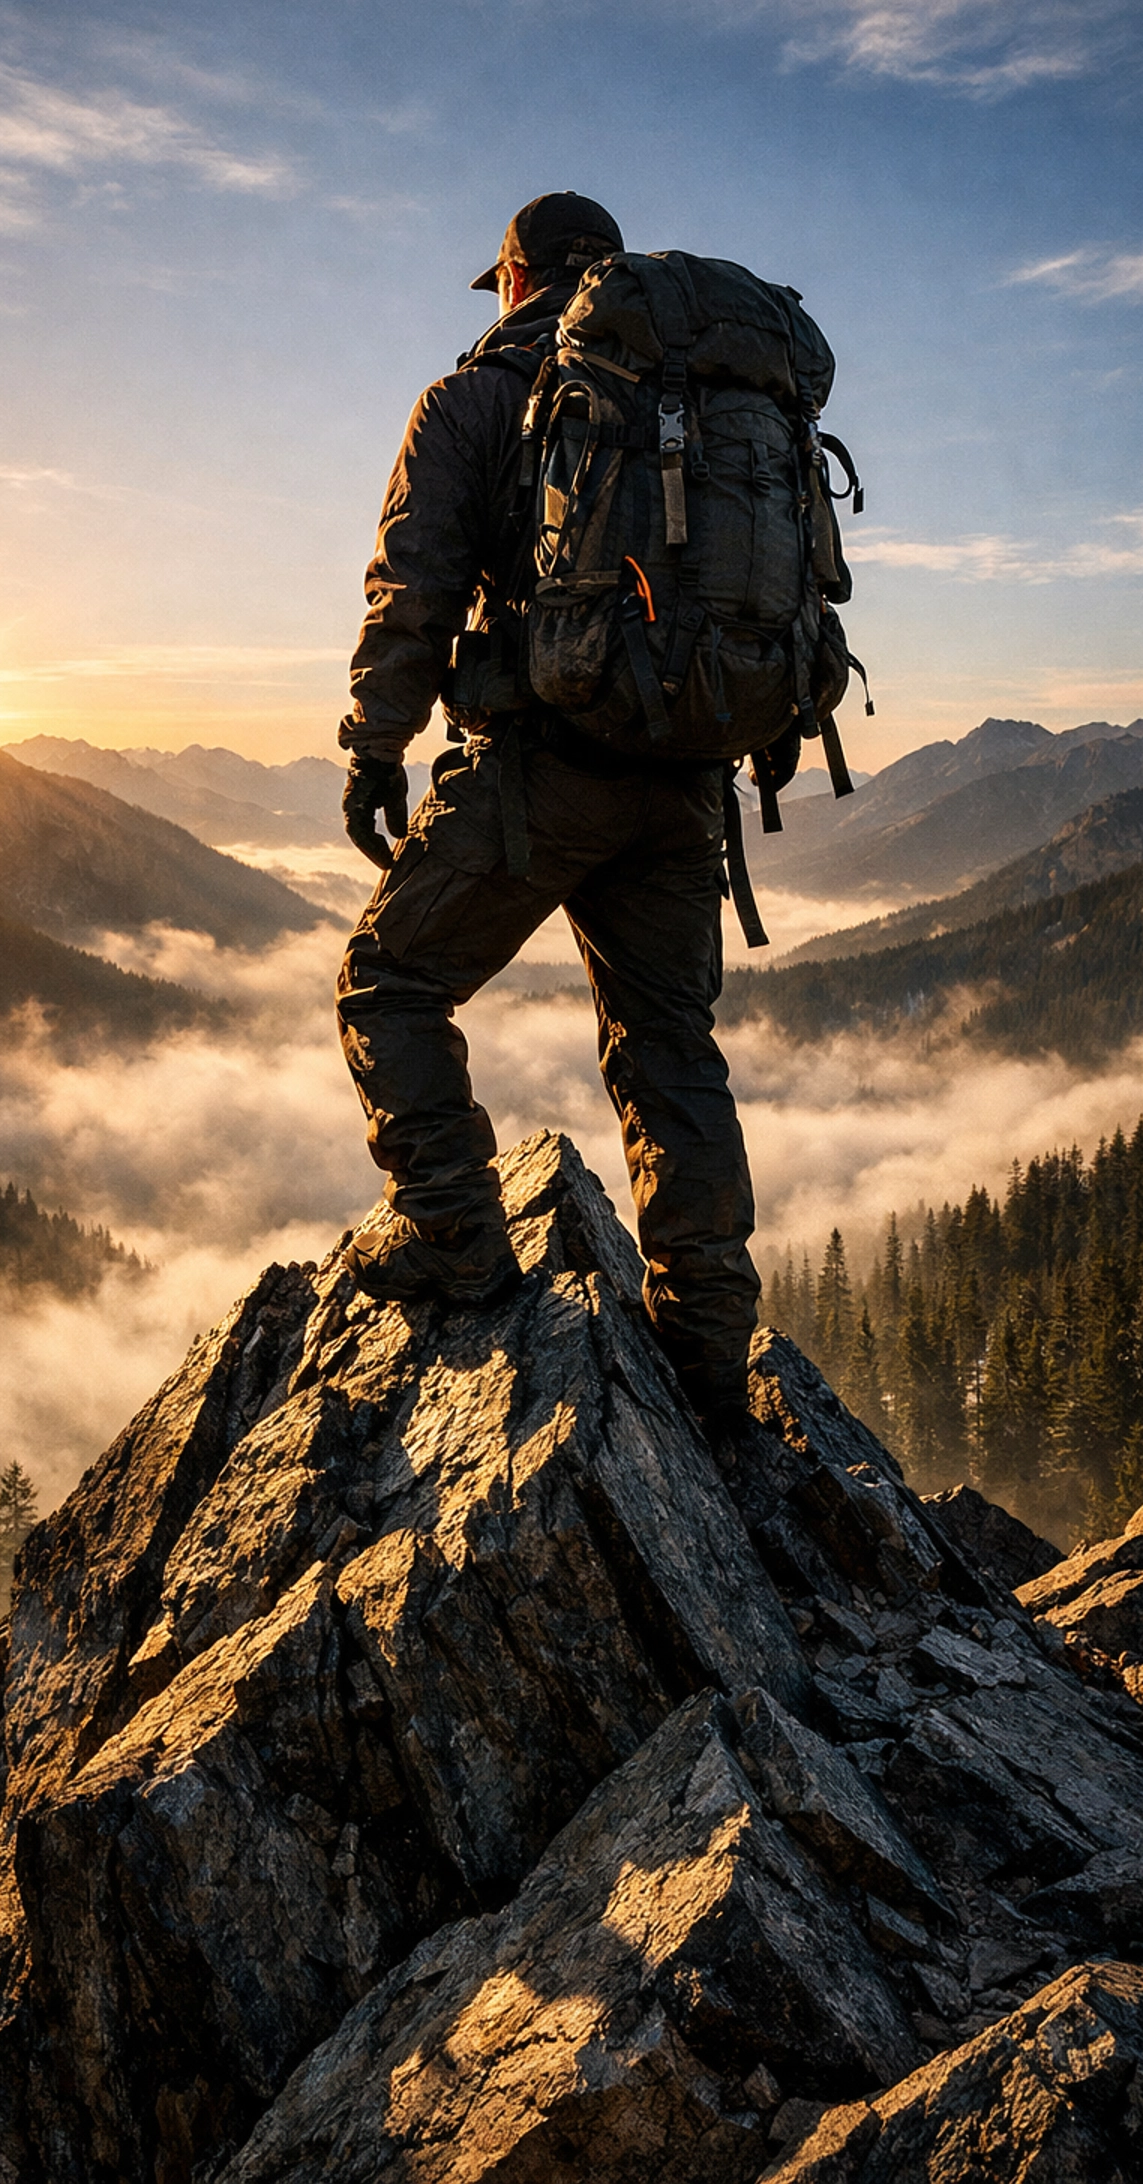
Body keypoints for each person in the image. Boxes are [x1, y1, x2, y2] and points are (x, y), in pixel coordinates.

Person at [333, 191, 761, 1439]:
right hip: (686, 780)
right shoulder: (687, 399)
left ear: (513, 279)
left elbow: (410, 590)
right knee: (669, 1046)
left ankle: (457, 1236)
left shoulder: (470, 403)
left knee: (387, 983)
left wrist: (375, 750)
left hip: (537, 768)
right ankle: (708, 1358)